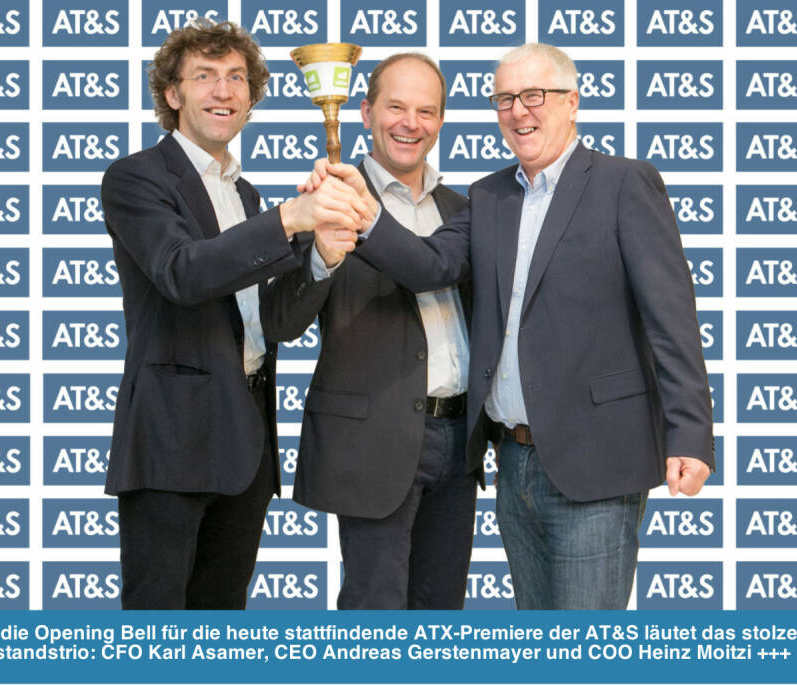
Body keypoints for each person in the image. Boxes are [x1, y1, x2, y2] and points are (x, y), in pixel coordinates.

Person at [320, 42, 714, 609]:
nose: (519, 111)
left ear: (572, 102)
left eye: (535, 95)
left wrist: (690, 435)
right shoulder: (488, 196)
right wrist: (365, 212)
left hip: (599, 459)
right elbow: (429, 266)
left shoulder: (625, 183)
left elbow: (671, 318)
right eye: (504, 99)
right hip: (513, 462)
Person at [101, 19, 365, 610]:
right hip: (172, 444)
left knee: (222, 629)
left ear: (251, 97)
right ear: (173, 94)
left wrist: (319, 256)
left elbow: (274, 325)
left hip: (247, 443)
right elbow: (182, 272)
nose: (223, 91)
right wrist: (290, 219)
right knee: (156, 635)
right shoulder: (136, 178)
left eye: (237, 78)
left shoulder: (245, 196)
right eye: (204, 76)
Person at [261, 54, 478, 609]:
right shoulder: (326, 199)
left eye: (426, 111)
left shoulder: (465, 208)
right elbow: (280, 321)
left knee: (442, 615)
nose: (411, 123)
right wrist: (322, 258)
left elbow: (458, 291)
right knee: (374, 615)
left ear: (441, 121)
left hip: (458, 443)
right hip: (373, 441)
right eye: (396, 107)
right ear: (365, 112)